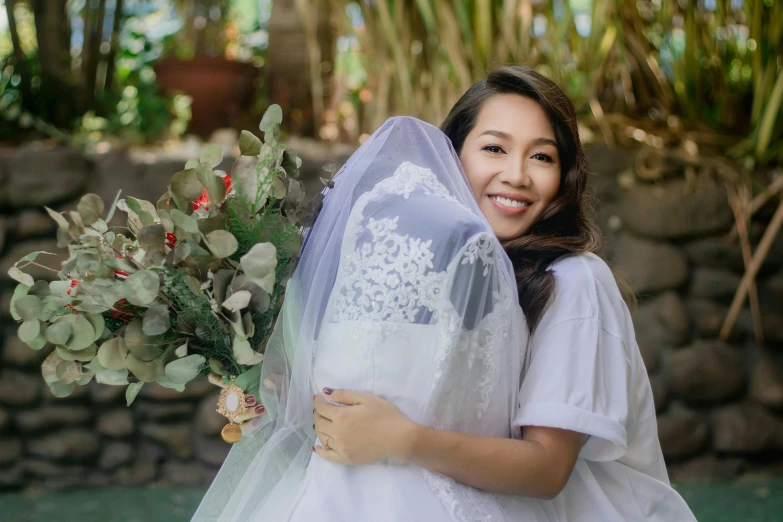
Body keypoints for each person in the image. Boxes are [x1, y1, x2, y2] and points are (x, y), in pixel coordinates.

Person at [192, 67, 697, 522]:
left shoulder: (576, 280)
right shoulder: (450, 269)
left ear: (565, 176)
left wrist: (401, 439)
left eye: (541, 156)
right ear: (453, 157)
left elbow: (547, 470)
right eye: (494, 148)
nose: (517, 175)